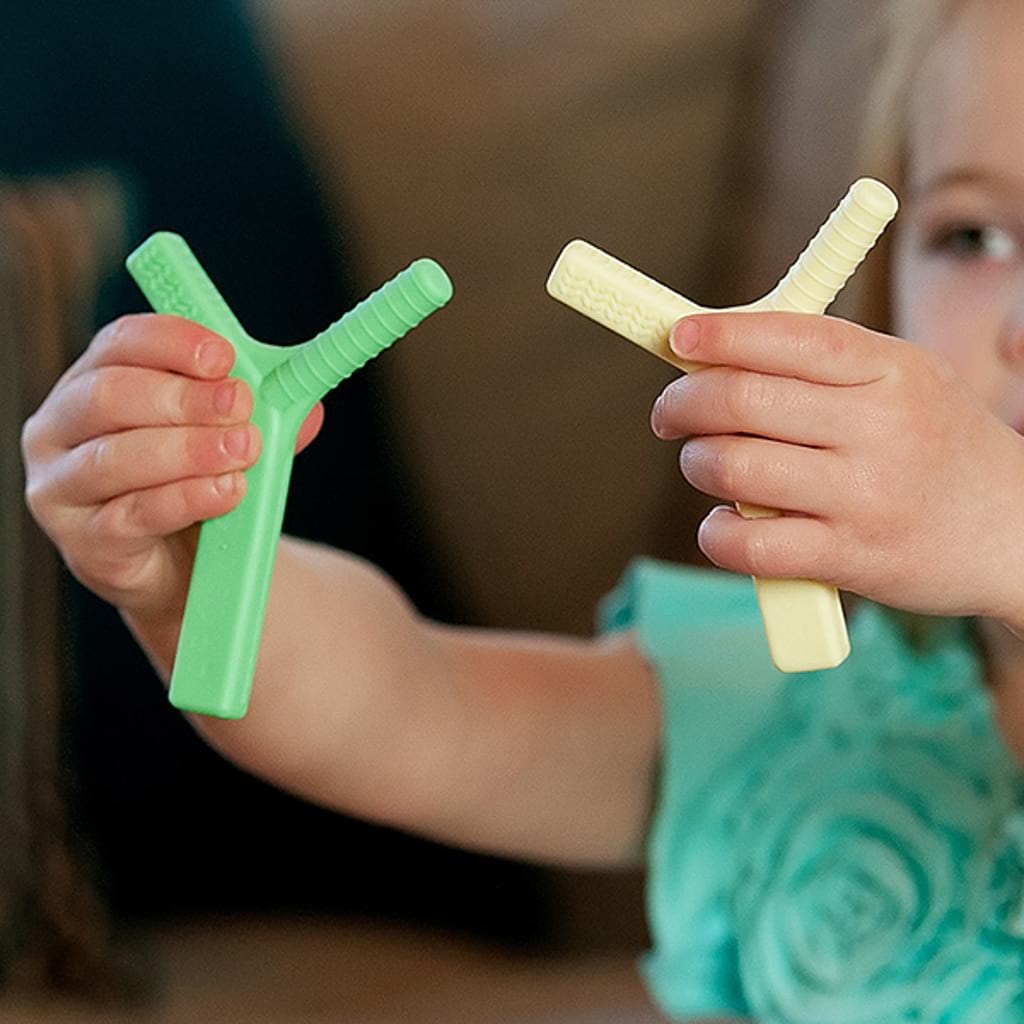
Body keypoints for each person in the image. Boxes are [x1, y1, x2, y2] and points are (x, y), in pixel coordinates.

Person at [19, 0, 1024, 1018]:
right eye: (973, 234)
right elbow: (416, 708)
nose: (1021, 320)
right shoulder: (808, 705)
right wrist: (202, 570)